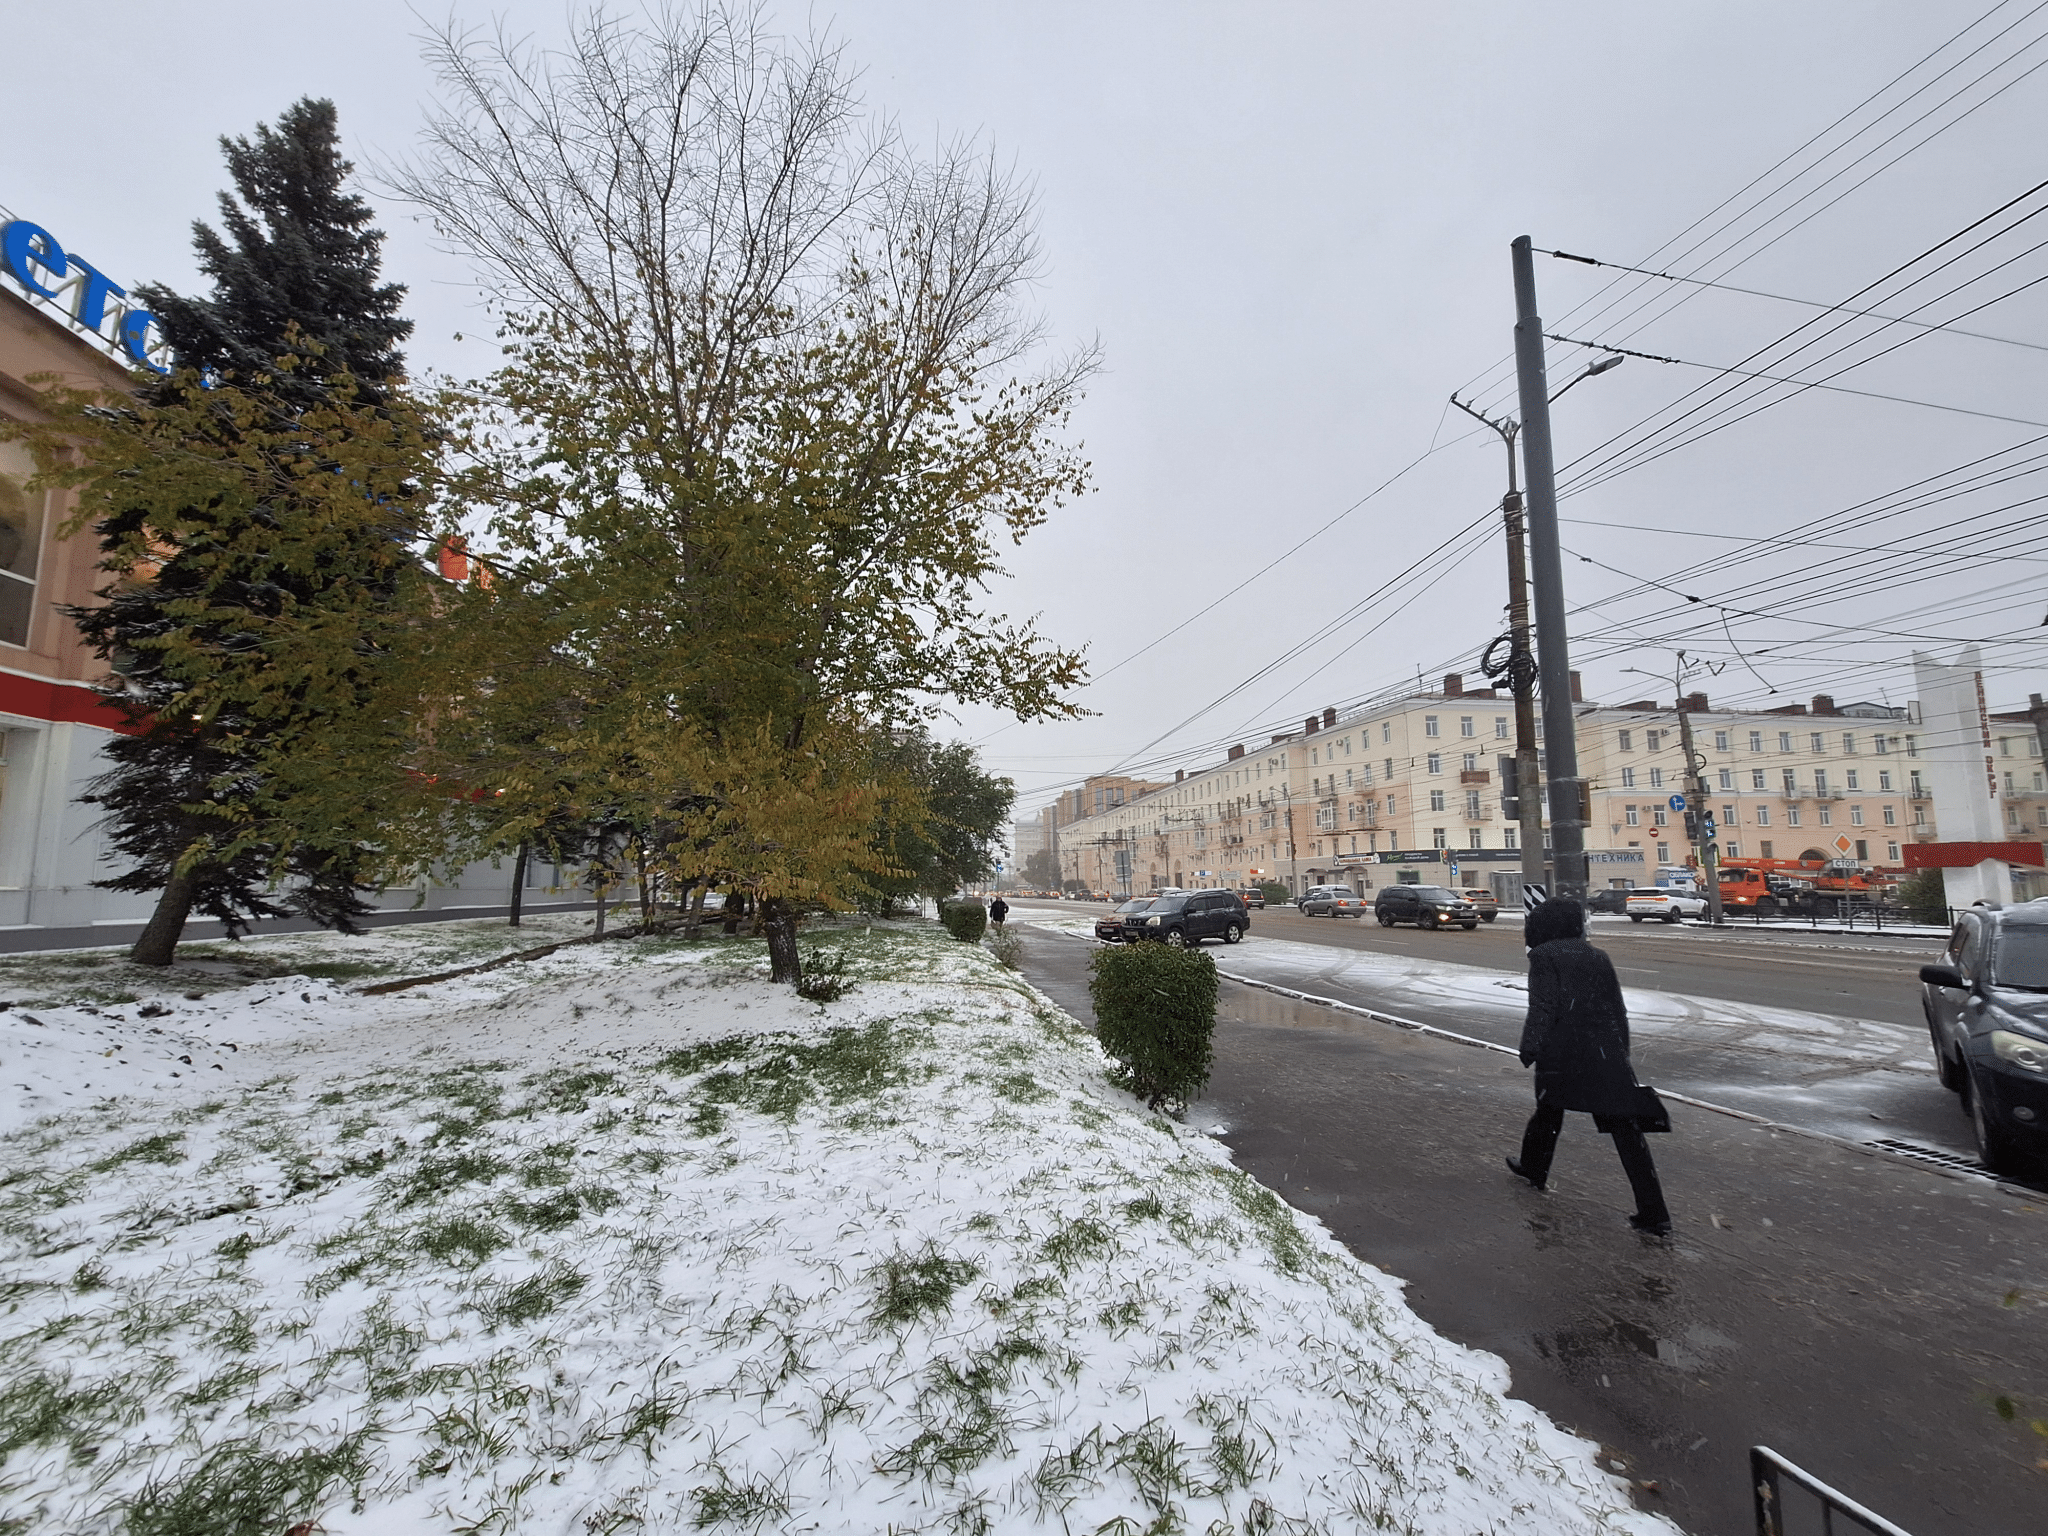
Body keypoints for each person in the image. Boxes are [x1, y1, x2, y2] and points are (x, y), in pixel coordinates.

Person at [1505, 896, 1673, 1235]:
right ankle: (1654, 1212)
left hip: (1563, 1053)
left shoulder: (1544, 956)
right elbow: (1617, 1008)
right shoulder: (1598, 955)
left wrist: (1529, 1047)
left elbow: (1543, 1007)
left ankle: (1535, 1170)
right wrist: (1620, 1049)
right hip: (1603, 1052)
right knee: (1625, 1130)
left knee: (1549, 1112)